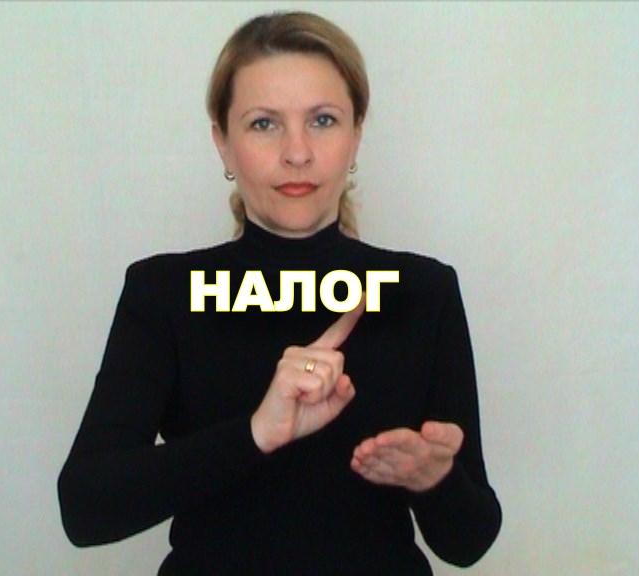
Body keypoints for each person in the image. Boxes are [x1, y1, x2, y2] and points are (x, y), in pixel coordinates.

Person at [58, 10, 502, 575]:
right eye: (264, 123)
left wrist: (433, 478)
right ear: (222, 143)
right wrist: (255, 433)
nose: (297, 152)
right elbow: (85, 508)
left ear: (356, 136)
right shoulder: (164, 293)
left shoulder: (423, 292)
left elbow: (470, 541)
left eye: (323, 120)